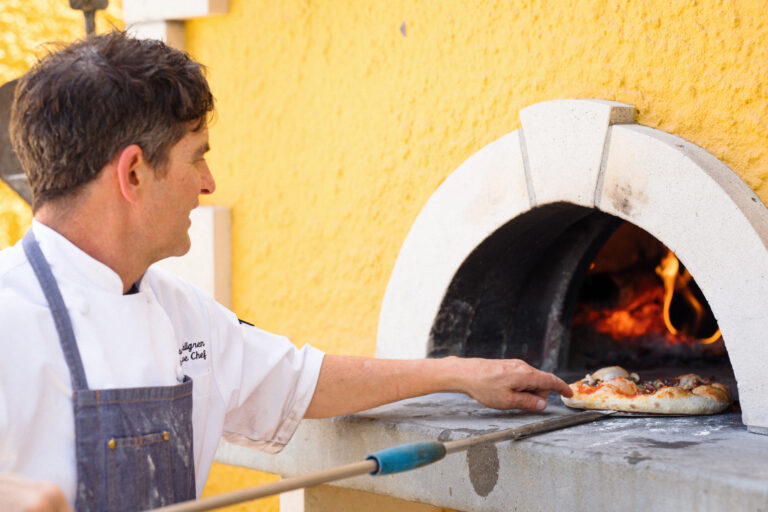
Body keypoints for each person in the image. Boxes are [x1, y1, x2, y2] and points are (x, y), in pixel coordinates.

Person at [0, 32, 572, 512]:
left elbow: (305, 382)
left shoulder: (180, 312)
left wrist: (460, 372)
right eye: (197, 154)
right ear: (133, 174)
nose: (208, 182)